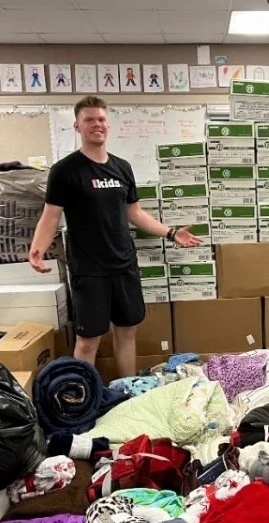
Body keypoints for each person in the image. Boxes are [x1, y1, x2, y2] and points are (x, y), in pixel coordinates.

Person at [29, 95, 201, 376]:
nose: (97, 124)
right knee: (87, 341)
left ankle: (128, 390)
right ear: (77, 126)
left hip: (123, 265)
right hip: (89, 269)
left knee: (126, 332)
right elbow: (51, 215)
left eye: (101, 119)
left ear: (107, 124)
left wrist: (171, 233)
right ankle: (83, 398)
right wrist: (38, 248)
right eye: (89, 120)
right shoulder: (65, 171)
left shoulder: (122, 168)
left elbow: (135, 213)